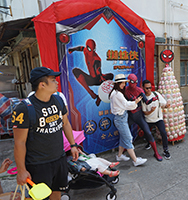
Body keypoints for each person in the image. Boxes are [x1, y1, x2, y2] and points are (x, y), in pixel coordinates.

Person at [13, 67, 79, 200]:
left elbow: (65, 123)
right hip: (38, 164)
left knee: (56, 193)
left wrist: (73, 145)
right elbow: (19, 142)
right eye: (53, 80)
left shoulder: (58, 100)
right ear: (42, 85)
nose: (57, 83)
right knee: (39, 197)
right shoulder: (24, 108)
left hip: (59, 159)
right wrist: (21, 170)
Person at [109, 74, 147, 167]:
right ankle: (135, 160)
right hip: (120, 118)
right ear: (117, 83)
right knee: (128, 138)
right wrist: (136, 102)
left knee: (123, 137)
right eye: (122, 83)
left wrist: (134, 102)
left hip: (121, 117)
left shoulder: (115, 92)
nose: (124, 85)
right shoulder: (118, 94)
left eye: (124, 83)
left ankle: (119, 156)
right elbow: (126, 105)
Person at [125, 74, 163, 161]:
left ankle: (156, 153)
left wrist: (152, 100)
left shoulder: (139, 90)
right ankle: (121, 152)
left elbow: (146, 102)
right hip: (130, 115)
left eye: (135, 82)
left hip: (138, 115)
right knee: (125, 134)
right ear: (128, 82)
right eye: (132, 82)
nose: (134, 84)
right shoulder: (125, 90)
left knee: (148, 133)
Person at [68, 39, 114, 106]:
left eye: (93, 49)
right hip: (90, 80)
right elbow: (80, 48)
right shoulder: (85, 51)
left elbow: (98, 69)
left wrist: (102, 78)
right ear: (87, 47)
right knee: (75, 71)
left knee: (111, 76)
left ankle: (100, 97)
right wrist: (72, 49)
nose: (91, 51)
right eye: (90, 49)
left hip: (98, 79)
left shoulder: (97, 59)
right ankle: (92, 94)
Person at [141, 80, 171, 160]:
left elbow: (163, 104)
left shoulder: (156, 95)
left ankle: (165, 150)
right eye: (147, 88)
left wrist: (166, 106)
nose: (149, 90)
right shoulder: (143, 98)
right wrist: (150, 111)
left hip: (158, 118)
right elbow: (144, 112)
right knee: (147, 134)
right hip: (148, 120)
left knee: (163, 133)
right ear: (143, 88)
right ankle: (149, 143)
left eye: (150, 88)